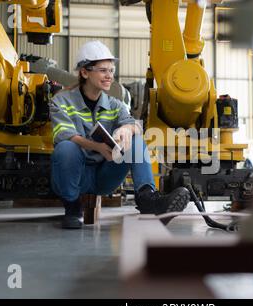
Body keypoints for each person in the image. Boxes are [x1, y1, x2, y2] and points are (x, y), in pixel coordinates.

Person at [49, 41, 190, 229]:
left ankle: (148, 199)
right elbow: (65, 135)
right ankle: (72, 207)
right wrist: (97, 146)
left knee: (136, 139)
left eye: (111, 70)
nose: (109, 76)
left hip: (104, 175)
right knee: (66, 147)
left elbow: (135, 126)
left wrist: (126, 129)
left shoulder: (115, 104)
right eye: (103, 70)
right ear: (84, 72)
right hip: (76, 173)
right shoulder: (61, 100)